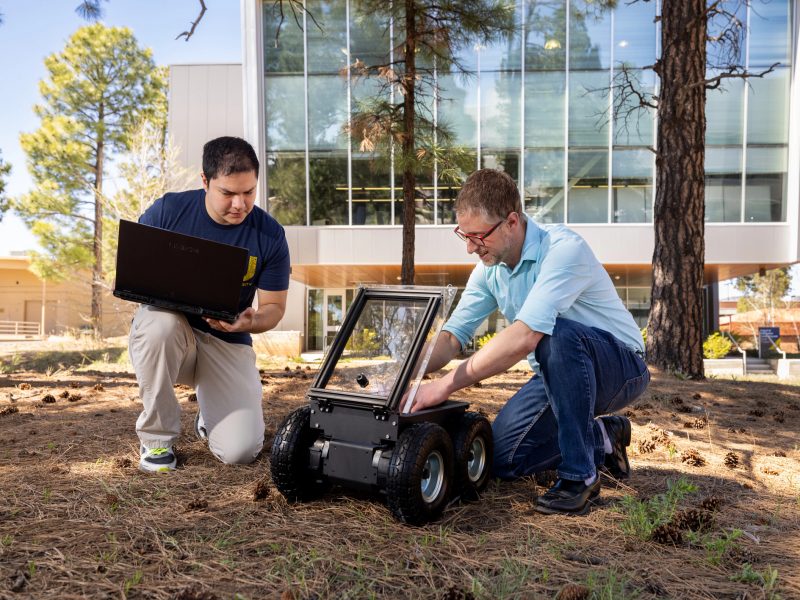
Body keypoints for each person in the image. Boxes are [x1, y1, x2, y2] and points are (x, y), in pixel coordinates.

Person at [408, 169, 649, 515]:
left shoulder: (564, 250)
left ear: (511, 221)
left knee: (557, 334)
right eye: (463, 234)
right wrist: (404, 372)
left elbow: (525, 337)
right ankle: (604, 436)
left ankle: (580, 477)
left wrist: (443, 386)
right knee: (502, 459)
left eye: (478, 236)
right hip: (558, 374)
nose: (469, 247)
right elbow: (451, 337)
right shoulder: (489, 270)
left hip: (620, 366)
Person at [128, 136, 290, 473]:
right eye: (228, 193)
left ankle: (211, 413)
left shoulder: (270, 234)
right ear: (205, 181)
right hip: (173, 337)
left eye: (249, 192)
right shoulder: (168, 212)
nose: (239, 204)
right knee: (159, 324)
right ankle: (157, 442)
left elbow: (274, 307)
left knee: (241, 451)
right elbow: (135, 277)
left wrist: (250, 322)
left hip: (227, 341)